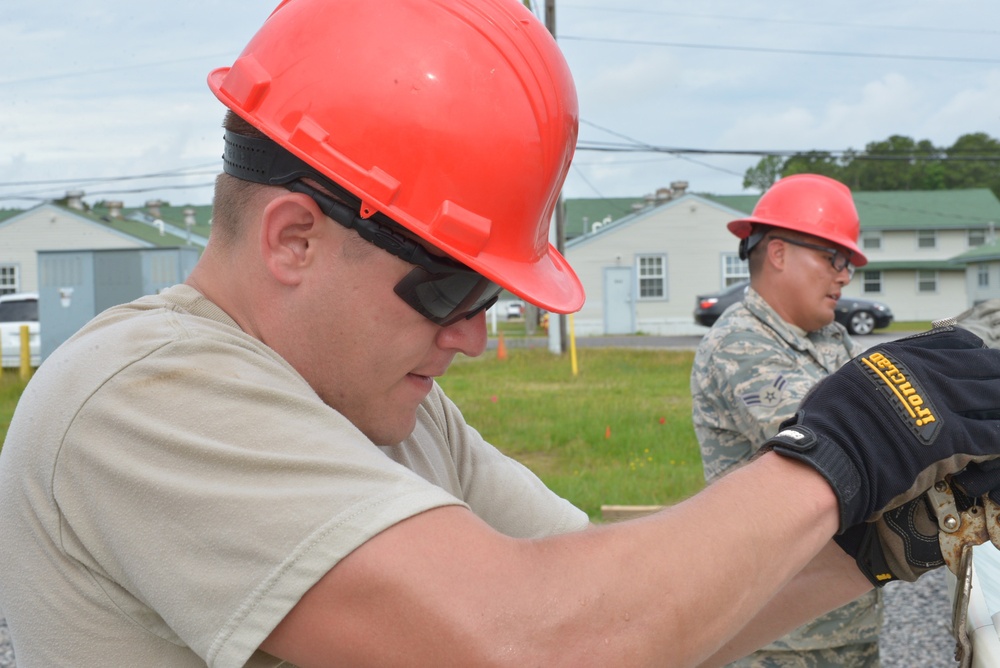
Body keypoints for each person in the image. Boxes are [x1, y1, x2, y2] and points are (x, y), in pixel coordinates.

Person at [2, 2, 1000, 667]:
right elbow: (529, 640)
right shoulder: (141, 395)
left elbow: (624, 613)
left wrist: (879, 539)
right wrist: (846, 448)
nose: (475, 339)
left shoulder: (390, 411)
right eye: (452, 290)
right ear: (294, 236)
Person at [691, 174, 882, 667]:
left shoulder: (830, 340)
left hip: (842, 617)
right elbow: (840, 444)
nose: (844, 276)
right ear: (778, 253)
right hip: (776, 637)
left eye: (848, 265)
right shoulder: (739, 344)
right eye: (833, 259)